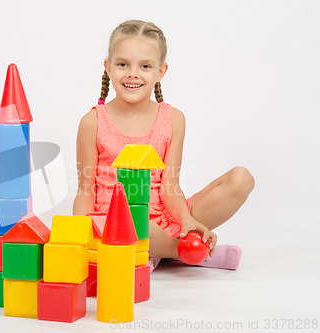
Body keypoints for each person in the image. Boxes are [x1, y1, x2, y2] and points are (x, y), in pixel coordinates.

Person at [73, 20, 255, 270]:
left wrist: (187, 220)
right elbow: (85, 190)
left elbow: (170, 186)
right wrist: (78, 241)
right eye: (122, 64)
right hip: (112, 222)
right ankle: (191, 251)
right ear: (108, 67)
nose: (132, 73)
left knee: (241, 179)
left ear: (160, 71)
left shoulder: (174, 119)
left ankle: (173, 245)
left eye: (145, 66)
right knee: (136, 223)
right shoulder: (92, 122)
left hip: (163, 218)